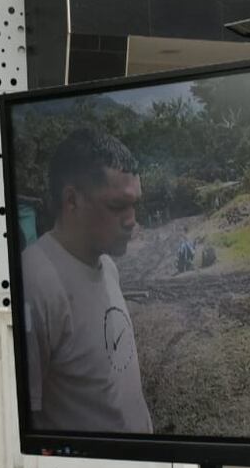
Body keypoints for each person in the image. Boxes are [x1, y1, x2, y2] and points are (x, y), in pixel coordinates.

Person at [21, 128, 152, 433]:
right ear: (72, 200)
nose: (131, 220)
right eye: (117, 206)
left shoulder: (107, 264)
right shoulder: (36, 283)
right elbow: (29, 419)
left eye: (135, 205)